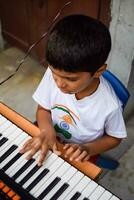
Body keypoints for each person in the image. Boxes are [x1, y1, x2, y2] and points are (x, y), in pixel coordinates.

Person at [20, 15, 127, 166]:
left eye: (70, 79)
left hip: (81, 152)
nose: (59, 84)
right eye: (53, 73)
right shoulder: (55, 75)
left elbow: (115, 138)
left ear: (98, 71)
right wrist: (45, 130)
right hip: (49, 133)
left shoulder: (109, 105)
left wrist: (87, 149)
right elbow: (43, 109)